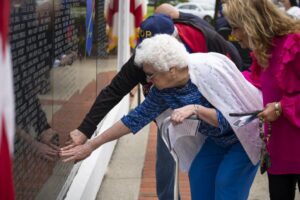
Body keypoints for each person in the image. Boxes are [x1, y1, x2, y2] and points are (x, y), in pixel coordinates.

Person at [63, 10, 243, 200]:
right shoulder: (159, 83)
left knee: (225, 184)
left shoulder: (208, 62)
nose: (147, 80)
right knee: (196, 174)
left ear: (170, 67)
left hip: (240, 138)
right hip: (211, 135)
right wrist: (89, 143)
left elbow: (238, 117)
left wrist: (197, 110)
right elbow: (133, 115)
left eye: (151, 75)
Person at [223, 0, 300, 199]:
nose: (233, 35)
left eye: (236, 28)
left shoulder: (294, 43)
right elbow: (253, 81)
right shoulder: (264, 50)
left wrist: (281, 107)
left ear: (250, 22)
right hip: (279, 148)